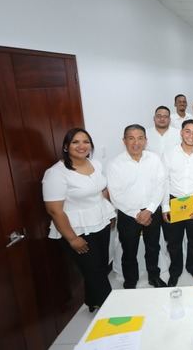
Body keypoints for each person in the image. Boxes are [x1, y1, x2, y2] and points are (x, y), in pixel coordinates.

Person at [42, 128, 115, 312]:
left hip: (100, 223)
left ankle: (92, 301)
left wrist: (110, 213)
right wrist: (73, 239)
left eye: (85, 142)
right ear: (66, 147)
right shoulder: (56, 173)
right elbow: (54, 210)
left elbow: (101, 190)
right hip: (77, 229)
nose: (81, 146)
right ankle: (112, 310)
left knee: (99, 266)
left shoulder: (95, 164)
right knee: (94, 272)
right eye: (75, 142)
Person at [106, 124, 167, 289]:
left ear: (146, 141)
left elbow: (160, 185)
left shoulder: (154, 159)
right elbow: (115, 195)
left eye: (140, 138)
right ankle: (130, 281)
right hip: (128, 215)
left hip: (152, 211)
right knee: (129, 250)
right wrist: (137, 214)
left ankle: (154, 276)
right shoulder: (115, 164)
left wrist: (149, 210)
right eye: (131, 138)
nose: (136, 142)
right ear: (124, 141)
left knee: (153, 247)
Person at [161, 120, 193, 286]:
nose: (191, 135)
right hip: (174, 201)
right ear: (181, 133)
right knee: (174, 241)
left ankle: (192, 267)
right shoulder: (169, 153)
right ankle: (175, 270)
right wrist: (165, 206)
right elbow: (164, 181)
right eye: (187, 131)